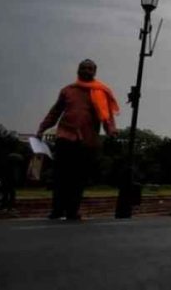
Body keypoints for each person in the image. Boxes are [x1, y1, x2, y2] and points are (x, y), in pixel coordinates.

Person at [36, 59, 119, 221]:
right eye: (83, 68)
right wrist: (42, 128)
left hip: (86, 141)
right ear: (78, 70)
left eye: (89, 69)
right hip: (65, 137)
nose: (86, 71)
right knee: (60, 176)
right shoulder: (68, 90)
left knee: (79, 178)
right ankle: (57, 210)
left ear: (94, 72)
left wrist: (111, 130)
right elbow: (55, 112)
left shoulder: (101, 92)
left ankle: (72, 211)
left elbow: (107, 116)